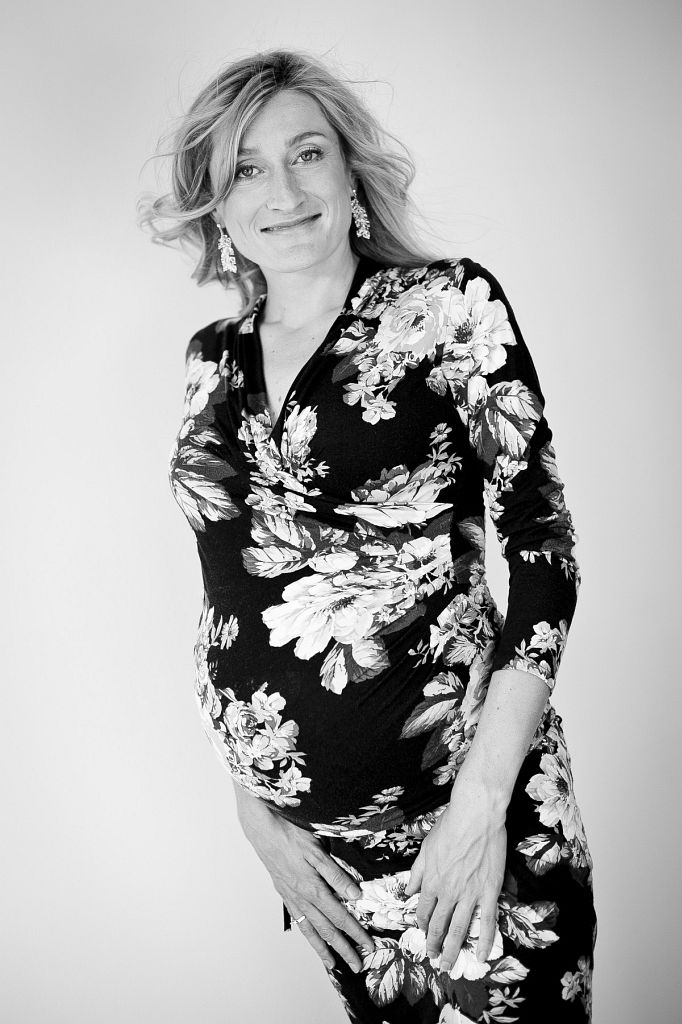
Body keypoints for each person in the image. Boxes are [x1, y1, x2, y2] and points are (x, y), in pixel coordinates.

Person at [139, 48, 597, 1024]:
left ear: (351, 169)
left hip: (466, 827)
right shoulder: (210, 360)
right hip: (319, 856)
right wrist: (253, 803)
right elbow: (232, 591)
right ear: (217, 203)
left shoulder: (445, 308)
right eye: (246, 169)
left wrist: (481, 809)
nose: (283, 190)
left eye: (306, 153)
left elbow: (544, 550)